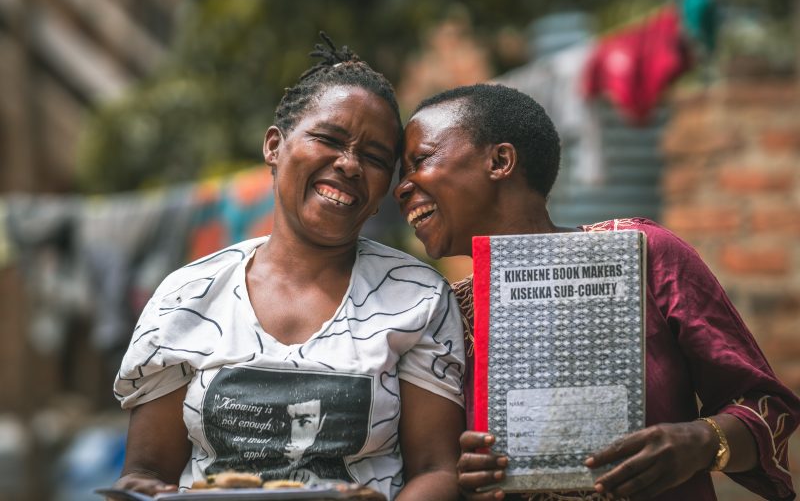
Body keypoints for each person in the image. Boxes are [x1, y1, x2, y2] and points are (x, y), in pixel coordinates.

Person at [393, 83, 800, 501]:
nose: (401, 188)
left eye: (419, 161)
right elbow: (433, 467)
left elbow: (768, 407)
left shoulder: (643, 255)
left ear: (500, 160)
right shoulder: (445, 315)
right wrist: (464, 477)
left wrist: (700, 443)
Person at [111, 34, 465, 501]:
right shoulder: (188, 296)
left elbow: (436, 469)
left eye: (375, 158)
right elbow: (146, 472)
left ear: (384, 191)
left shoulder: (416, 297)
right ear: (274, 146)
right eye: (329, 139)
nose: (349, 164)